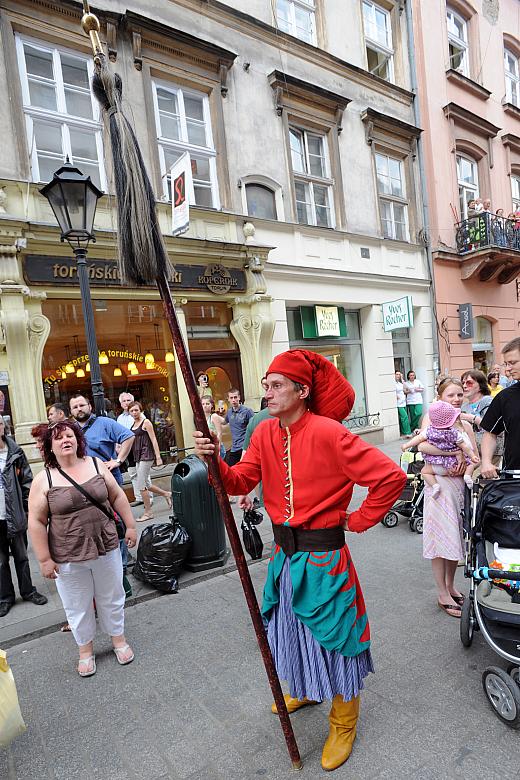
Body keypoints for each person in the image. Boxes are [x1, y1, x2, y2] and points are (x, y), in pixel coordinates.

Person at [193, 349, 406, 771]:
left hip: (325, 559)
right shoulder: (263, 433)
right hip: (283, 558)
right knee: (291, 631)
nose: (267, 393)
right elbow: (239, 480)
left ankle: (344, 721)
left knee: (337, 637)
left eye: (276, 385)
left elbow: (391, 478)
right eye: (266, 385)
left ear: (301, 390)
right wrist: (214, 457)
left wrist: (359, 520)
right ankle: (308, 686)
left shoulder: (331, 432)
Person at [28, 421, 136, 676]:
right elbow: (36, 521)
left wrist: (130, 526)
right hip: (67, 554)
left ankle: (118, 640)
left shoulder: (96, 464)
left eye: (69, 435)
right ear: (49, 447)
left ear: (78, 440)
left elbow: (117, 496)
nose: (65, 440)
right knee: (78, 604)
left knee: (112, 595)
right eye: (58, 438)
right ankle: (85, 651)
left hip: (106, 545)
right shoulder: (44, 479)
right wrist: (44, 559)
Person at [418, 378, 477, 618]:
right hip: (438, 488)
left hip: (458, 487)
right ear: (440, 397)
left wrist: (467, 464)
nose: (456, 400)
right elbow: (423, 446)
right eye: (451, 395)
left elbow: (474, 453)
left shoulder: (465, 423)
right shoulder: (431, 418)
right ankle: (442, 593)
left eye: (459, 395)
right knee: (439, 541)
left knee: (453, 540)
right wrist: (454, 451)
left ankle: (451, 586)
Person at [0, 416, 48, 618]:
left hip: (16, 514)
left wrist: (29, 511)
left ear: (4, 427)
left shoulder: (15, 452)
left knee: (21, 556)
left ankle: (28, 591)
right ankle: (5, 598)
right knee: (0, 561)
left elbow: (27, 482)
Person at [402, 400, 478, 497]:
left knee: (424, 472)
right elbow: (464, 446)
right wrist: (472, 456)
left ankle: (435, 485)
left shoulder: (429, 431)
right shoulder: (454, 433)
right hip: (455, 465)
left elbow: (418, 439)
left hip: (437, 465)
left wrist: (406, 445)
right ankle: (467, 476)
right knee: (470, 465)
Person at [69, 395, 134, 487]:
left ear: (90, 406)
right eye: (75, 407)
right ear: (71, 411)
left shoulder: (105, 423)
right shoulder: (70, 430)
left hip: (107, 479)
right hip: (83, 480)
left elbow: (129, 436)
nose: (79, 409)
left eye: (82, 405)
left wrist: (118, 460)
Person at [481, 337, 520, 478]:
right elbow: (490, 432)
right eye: (506, 364)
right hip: (515, 479)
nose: (508, 368)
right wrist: (486, 462)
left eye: (512, 363)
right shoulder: (505, 397)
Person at [127, 401, 172, 522]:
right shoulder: (133, 424)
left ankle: (148, 512)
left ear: (141, 410)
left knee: (141, 485)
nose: (134, 412)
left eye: (136, 410)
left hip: (146, 455)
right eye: (132, 411)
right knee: (146, 484)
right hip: (138, 455)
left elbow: (153, 439)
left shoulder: (146, 422)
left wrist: (158, 457)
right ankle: (166, 494)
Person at [116, 391, 148, 508]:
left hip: (139, 448)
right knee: (133, 473)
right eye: (123, 401)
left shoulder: (140, 415)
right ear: (120, 404)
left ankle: (148, 499)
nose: (126, 403)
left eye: (128, 400)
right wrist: (118, 446)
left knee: (143, 474)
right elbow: (118, 434)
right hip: (127, 449)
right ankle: (139, 497)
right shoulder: (120, 418)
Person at [460, 369, 492, 451]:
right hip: (471, 452)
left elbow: (491, 425)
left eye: (469, 383)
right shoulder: (463, 406)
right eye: (463, 383)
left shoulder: (487, 400)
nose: (464, 386)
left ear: (480, 386)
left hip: (488, 450)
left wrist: (471, 418)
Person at [223, 389, 253, 466]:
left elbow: (254, 426)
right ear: (228, 399)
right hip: (234, 448)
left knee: (246, 469)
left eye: (235, 397)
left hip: (245, 447)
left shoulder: (247, 411)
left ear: (239, 397)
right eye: (231, 398)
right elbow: (223, 422)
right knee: (231, 470)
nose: (234, 400)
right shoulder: (229, 412)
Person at [395, 371, 412, 437]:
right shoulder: (393, 384)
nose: (398, 375)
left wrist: (402, 380)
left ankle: (403, 432)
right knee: (405, 417)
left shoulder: (400, 383)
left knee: (402, 418)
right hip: (398, 403)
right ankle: (407, 432)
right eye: (397, 374)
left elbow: (407, 389)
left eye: (399, 374)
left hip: (403, 402)